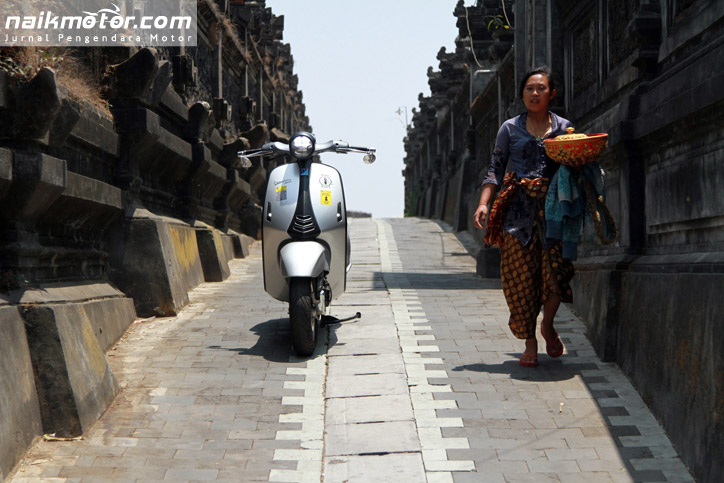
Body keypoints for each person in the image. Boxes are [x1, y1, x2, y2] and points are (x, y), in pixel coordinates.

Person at [472, 66, 574, 368]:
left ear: (552, 94)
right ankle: (530, 340)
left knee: (557, 275)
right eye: (529, 88)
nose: (535, 93)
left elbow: (574, 167)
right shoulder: (509, 128)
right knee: (520, 280)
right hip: (517, 215)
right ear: (522, 94)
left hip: (555, 214)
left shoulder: (564, 128)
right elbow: (495, 168)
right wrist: (483, 204)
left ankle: (548, 325)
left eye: (541, 88)